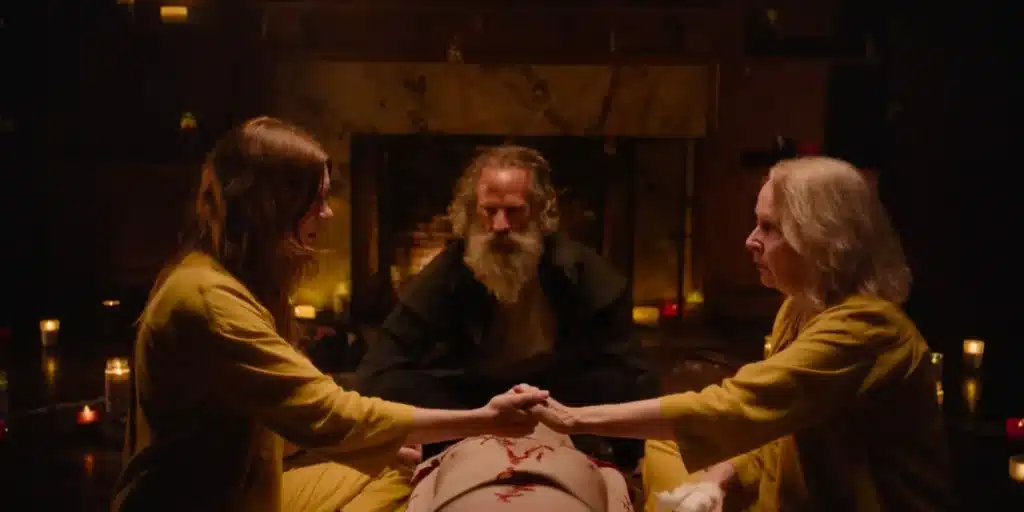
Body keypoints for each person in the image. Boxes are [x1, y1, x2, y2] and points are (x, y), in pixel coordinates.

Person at [111, 117, 549, 512]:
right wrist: (486, 420)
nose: (328, 212)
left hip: (248, 486)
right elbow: (327, 413)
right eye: (317, 198)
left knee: (397, 469)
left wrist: (374, 445)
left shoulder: (233, 279)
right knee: (391, 464)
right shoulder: (208, 299)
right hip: (206, 503)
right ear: (275, 205)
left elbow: (285, 414)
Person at [524, 157, 950, 511]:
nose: (750, 240)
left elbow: (738, 407)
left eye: (770, 227)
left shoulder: (867, 327)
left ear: (822, 238)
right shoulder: (799, 308)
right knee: (663, 449)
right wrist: (718, 481)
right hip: (790, 492)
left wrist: (572, 418)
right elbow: (775, 428)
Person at [354, 144, 659, 467]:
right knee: (395, 384)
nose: (500, 225)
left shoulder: (580, 272)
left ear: (539, 212)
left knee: (625, 382)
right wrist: (470, 419)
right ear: (473, 212)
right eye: (489, 211)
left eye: (513, 211)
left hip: (555, 398)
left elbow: (632, 371)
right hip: (473, 401)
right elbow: (377, 373)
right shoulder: (447, 272)